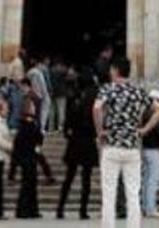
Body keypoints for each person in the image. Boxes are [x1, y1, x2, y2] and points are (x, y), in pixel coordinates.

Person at [93, 55, 159, 228]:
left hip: (112, 144)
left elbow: (96, 108)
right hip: (132, 146)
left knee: (109, 192)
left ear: (115, 71)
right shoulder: (138, 91)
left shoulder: (107, 89)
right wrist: (145, 129)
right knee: (133, 193)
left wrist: (100, 131)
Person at [57, 69, 98, 220]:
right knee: (86, 178)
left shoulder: (73, 96)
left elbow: (67, 123)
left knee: (69, 176)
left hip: (75, 141)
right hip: (87, 140)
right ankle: (83, 210)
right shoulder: (93, 97)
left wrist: (69, 134)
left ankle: (60, 208)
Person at [13, 101, 44, 219]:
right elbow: (35, 138)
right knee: (27, 185)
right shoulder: (28, 125)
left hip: (29, 157)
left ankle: (31, 209)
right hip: (28, 157)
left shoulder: (30, 124)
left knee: (30, 185)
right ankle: (24, 209)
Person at [139, 89, 159, 218]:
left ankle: (145, 207)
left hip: (144, 148)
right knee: (152, 180)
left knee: (145, 180)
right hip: (153, 149)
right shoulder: (155, 114)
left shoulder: (144, 113)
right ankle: (150, 208)